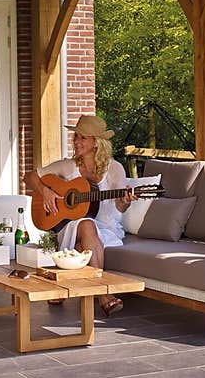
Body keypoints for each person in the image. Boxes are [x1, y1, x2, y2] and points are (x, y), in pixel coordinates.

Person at [24, 115, 138, 316]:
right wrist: (46, 191)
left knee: (84, 238)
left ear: (96, 143)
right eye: (75, 136)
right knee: (85, 224)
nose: (76, 141)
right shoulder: (67, 166)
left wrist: (125, 201)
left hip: (106, 229)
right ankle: (104, 294)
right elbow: (30, 176)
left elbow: (120, 207)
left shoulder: (115, 169)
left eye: (82, 137)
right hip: (71, 227)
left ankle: (63, 286)